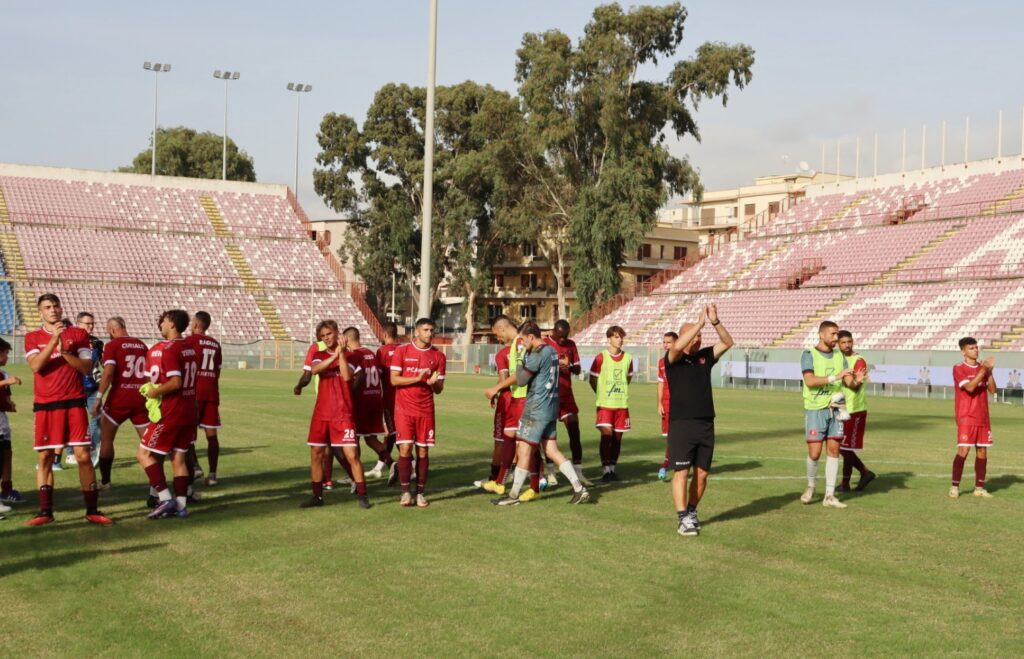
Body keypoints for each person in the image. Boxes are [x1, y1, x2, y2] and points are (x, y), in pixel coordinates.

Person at [24, 293, 111, 526]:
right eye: (47, 307)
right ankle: (45, 512)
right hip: (46, 405)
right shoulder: (32, 337)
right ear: (40, 312)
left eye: (56, 306)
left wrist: (64, 352)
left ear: (61, 309)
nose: (53, 310)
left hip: (74, 402)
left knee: (83, 456)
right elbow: (36, 366)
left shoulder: (78, 335)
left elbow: (86, 367)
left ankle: (92, 510)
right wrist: (54, 341)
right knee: (45, 457)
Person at [493, 321, 590, 506]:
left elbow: (521, 380)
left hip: (536, 408)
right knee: (551, 450)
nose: (522, 343)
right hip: (550, 407)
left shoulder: (538, 353)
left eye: (523, 340)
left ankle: (513, 496)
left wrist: (520, 358)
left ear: (531, 337)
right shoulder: (552, 351)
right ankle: (579, 488)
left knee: (524, 450)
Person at [664, 304, 733, 536]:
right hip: (682, 424)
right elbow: (677, 347)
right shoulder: (673, 359)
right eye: (693, 335)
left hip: (705, 423)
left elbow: (727, 342)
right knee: (681, 472)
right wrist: (698, 324)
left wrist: (714, 322)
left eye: (700, 335)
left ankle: (692, 511)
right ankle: (682, 518)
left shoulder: (705, 357)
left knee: (702, 474)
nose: (697, 338)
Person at [301, 320, 370, 509]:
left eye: (329, 334)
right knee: (316, 454)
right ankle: (317, 496)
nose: (326, 338)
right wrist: (334, 356)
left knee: (352, 455)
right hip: (321, 414)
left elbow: (347, 377)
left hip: (343, 414)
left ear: (337, 333)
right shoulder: (319, 355)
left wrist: (341, 355)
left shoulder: (353, 356)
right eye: (323, 336)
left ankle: (362, 494)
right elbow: (315, 369)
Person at [136, 309, 199, 519]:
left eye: (163, 321)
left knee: (143, 454)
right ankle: (181, 506)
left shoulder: (168, 349)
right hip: (189, 411)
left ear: (171, 323)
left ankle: (164, 498)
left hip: (170, 412)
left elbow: (176, 382)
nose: (160, 325)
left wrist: (154, 392)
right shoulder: (189, 348)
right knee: (178, 458)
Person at [800, 320, 859, 509]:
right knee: (815, 453)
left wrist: (856, 381)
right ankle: (811, 487)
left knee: (833, 452)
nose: (836, 338)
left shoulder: (839, 356)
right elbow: (810, 381)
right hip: (815, 409)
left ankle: (829, 495)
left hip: (836, 409)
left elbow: (848, 380)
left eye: (837, 334)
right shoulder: (809, 354)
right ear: (822, 334)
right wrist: (836, 376)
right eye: (833, 334)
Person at [390, 318, 446, 508]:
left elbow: (439, 389)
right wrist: (417, 377)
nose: (430, 333)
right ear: (416, 331)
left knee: (423, 450)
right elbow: (394, 380)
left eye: (431, 330)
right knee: (405, 449)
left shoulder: (438, 356)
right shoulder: (402, 351)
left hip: (425, 410)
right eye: (426, 330)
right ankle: (405, 492)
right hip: (404, 409)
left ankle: (420, 493)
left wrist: (433, 383)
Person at [94, 317, 150, 490]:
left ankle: (105, 481)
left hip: (120, 397)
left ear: (112, 330)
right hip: (141, 396)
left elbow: (108, 373)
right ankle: (156, 484)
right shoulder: (141, 345)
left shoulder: (112, 345)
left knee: (106, 438)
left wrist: (99, 397)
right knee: (148, 443)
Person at [481, 315, 527, 495]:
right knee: (521, 441)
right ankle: (501, 481)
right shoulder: (519, 343)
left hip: (518, 399)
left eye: (496, 334)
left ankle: (498, 479)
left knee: (511, 441)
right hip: (521, 398)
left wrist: (496, 389)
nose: (498, 338)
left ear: (502, 328)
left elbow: (515, 376)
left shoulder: (518, 345)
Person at [343, 326, 393, 479]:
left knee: (354, 439)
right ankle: (393, 464)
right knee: (370, 439)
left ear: (346, 339)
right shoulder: (371, 353)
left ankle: (354, 476)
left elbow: (356, 378)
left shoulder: (353, 355)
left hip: (361, 402)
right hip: (376, 398)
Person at [950, 337, 996, 499]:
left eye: (976, 347)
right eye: (971, 348)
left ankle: (979, 488)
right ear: (963, 351)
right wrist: (983, 370)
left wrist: (989, 372)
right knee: (964, 450)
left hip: (983, 417)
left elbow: (993, 390)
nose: (975, 350)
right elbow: (969, 388)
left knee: (982, 451)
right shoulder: (959, 368)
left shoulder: (982, 368)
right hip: (966, 416)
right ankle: (954, 487)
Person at [544, 319, 588, 486]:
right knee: (548, 435)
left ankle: (578, 471)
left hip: (566, 396)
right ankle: (551, 472)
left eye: (565, 336)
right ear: (554, 332)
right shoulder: (545, 344)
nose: (563, 339)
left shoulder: (571, 345)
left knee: (574, 431)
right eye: (560, 336)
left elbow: (577, 369)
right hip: (548, 396)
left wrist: (568, 367)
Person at [589, 325, 633, 482]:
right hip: (605, 405)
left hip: (621, 405)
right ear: (609, 339)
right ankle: (605, 470)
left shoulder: (628, 358)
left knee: (617, 439)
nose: (620, 339)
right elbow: (592, 379)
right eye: (616, 337)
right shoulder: (600, 358)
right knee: (606, 436)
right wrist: (601, 393)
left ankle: (612, 469)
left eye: (621, 337)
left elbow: (628, 378)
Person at [185, 311, 223, 486]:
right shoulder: (215, 344)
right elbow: (217, 371)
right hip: (211, 392)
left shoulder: (189, 341)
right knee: (212, 435)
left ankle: (195, 466)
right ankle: (213, 475)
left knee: (188, 433)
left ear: (195, 324)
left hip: (194, 393)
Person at [836, 330, 875, 492]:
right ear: (838, 344)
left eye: (849, 342)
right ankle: (847, 483)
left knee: (843, 448)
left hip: (854, 410)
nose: (847, 345)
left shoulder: (858, 360)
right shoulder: (837, 358)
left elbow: (855, 385)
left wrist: (852, 380)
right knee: (843, 447)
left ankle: (863, 472)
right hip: (841, 409)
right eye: (843, 342)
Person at [67, 312, 103, 467]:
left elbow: (101, 363)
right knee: (75, 421)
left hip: (93, 387)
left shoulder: (97, 343)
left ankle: (92, 450)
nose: (90, 326)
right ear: (78, 323)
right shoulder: (71, 341)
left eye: (92, 323)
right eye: (87, 323)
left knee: (99, 417)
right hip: (75, 387)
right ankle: (70, 453)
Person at [0, 338, 24, 516]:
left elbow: (6, 396)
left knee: (6, 454)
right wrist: (5, 383)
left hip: (2, 420)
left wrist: (10, 403)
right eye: (6, 353)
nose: (8, 356)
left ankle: (7, 490)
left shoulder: (4, 373)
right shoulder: (5, 378)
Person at [376, 322, 401, 485]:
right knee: (393, 432)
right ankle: (381, 464)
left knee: (394, 433)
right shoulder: (403, 349)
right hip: (404, 398)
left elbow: (377, 376)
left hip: (389, 399)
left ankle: (409, 465)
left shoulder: (382, 351)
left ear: (384, 334)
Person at [657, 331, 678, 481]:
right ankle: (667, 464)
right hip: (667, 404)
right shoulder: (661, 362)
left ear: (676, 343)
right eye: (664, 342)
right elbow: (660, 383)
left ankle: (666, 465)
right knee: (670, 437)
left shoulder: (682, 360)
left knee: (679, 436)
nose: (665, 345)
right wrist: (659, 403)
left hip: (681, 404)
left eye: (668, 342)